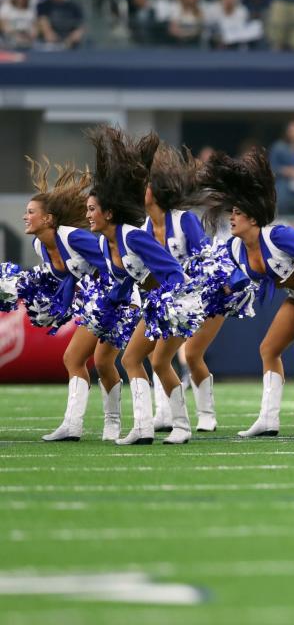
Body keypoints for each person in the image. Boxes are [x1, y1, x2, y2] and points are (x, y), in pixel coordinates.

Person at [199, 148, 294, 438]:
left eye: (238, 214)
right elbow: (222, 277)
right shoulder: (234, 247)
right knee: (268, 349)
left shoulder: (277, 235)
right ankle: (268, 419)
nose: (232, 219)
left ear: (253, 219)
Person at [85, 126, 205, 446]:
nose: (88, 215)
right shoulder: (106, 244)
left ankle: (167, 426)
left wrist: (170, 303)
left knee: (145, 360)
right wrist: (105, 308)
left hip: (176, 300)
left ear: (108, 213)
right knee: (142, 360)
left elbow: (172, 269)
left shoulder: (133, 236)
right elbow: (124, 285)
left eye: (93, 209)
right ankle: (156, 427)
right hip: (153, 302)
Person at [141, 144, 225, 434]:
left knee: (191, 355)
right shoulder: (144, 228)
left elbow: (205, 256)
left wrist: (200, 291)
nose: (142, 192)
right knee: (155, 356)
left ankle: (206, 414)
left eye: (146, 187)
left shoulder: (183, 218)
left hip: (203, 296)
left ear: (157, 193)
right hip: (169, 301)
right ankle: (163, 414)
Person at [22, 160, 108, 442]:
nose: (26, 217)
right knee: (101, 362)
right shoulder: (40, 246)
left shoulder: (74, 237)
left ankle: (77, 426)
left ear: (48, 219)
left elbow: (110, 263)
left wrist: (115, 299)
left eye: (31, 212)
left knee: (77, 357)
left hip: (115, 301)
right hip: (96, 305)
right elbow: (65, 280)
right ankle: (104, 425)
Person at [269, 120, 294, 215]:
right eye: (293, 130)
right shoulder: (278, 147)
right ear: (287, 131)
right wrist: (287, 171)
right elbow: (271, 168)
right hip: (283, 184)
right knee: (282, 201)